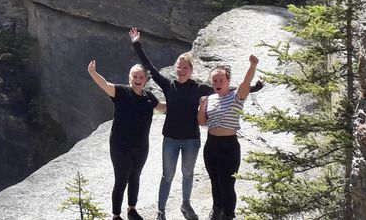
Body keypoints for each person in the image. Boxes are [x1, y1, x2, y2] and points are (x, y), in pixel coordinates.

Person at [129, 28, 261, 220]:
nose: (181, 70)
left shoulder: (200, 88)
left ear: (191, 71)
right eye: (179, 67)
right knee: (169, 175)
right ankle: (161, 212)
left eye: (186, 68)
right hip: (171, 138)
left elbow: (224, 89)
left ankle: (189, 206)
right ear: (176, 69)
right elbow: (149, 68)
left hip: (192, 139)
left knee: (190, 174)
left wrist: (254, 87)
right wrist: (136, 45)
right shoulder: (168, 85)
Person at [88, 59, 166, 220]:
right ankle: (116, 215)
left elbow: (161, 107)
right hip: (120, 146)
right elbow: (105, 85)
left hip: (141, 146)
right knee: (121, 180)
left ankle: (131, 209)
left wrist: (182, 102)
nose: (138, 80)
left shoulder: (149, 97)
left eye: (141, 77)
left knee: (135, 177)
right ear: (129, 77)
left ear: (145, 79)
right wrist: (93, 73)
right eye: (134, 76)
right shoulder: (121, 92)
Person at [198, 56, 259, 220]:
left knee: (227, 183)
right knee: (214, 180)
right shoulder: (210, 99)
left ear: (227, 80)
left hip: (229, 146)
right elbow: (202, 122)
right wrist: (202, 107)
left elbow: (246, 83)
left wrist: (253, 65)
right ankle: (217, 209)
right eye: (214, 80)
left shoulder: (235, 97)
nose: (217, 83)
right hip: (211, 145)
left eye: (221, 80)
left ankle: (228, 215)